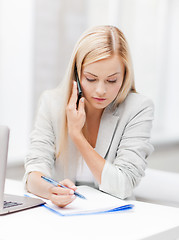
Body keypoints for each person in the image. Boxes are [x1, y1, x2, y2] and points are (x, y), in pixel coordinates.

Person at [24, 25, 154, 207]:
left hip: (115, 218)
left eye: (112, 80)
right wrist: (51, 191)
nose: (101, 90)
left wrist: (77, 136)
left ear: (125, 76)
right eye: (91, 79)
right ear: (77, 74)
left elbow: (123, 185)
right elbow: (33, 173)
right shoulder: (51, 103)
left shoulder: (138, 108)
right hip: (62, 218)